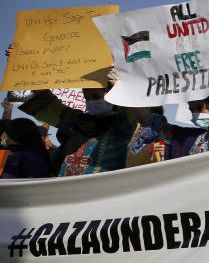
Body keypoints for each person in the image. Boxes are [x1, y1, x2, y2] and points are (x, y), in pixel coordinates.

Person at [6, 45, 138, 176]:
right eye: (87, 97)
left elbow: (137, 108)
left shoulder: (125, 123)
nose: (91, 102)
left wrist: (121, 88)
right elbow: (45, 102)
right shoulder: (77, 120)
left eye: (97, 97)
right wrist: (22, 66)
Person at [128, 43, 209, 159]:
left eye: (200, 108)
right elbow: (149, 122)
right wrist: (126, 92)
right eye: (192, 109)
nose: (195, 114)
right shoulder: (188, 138)